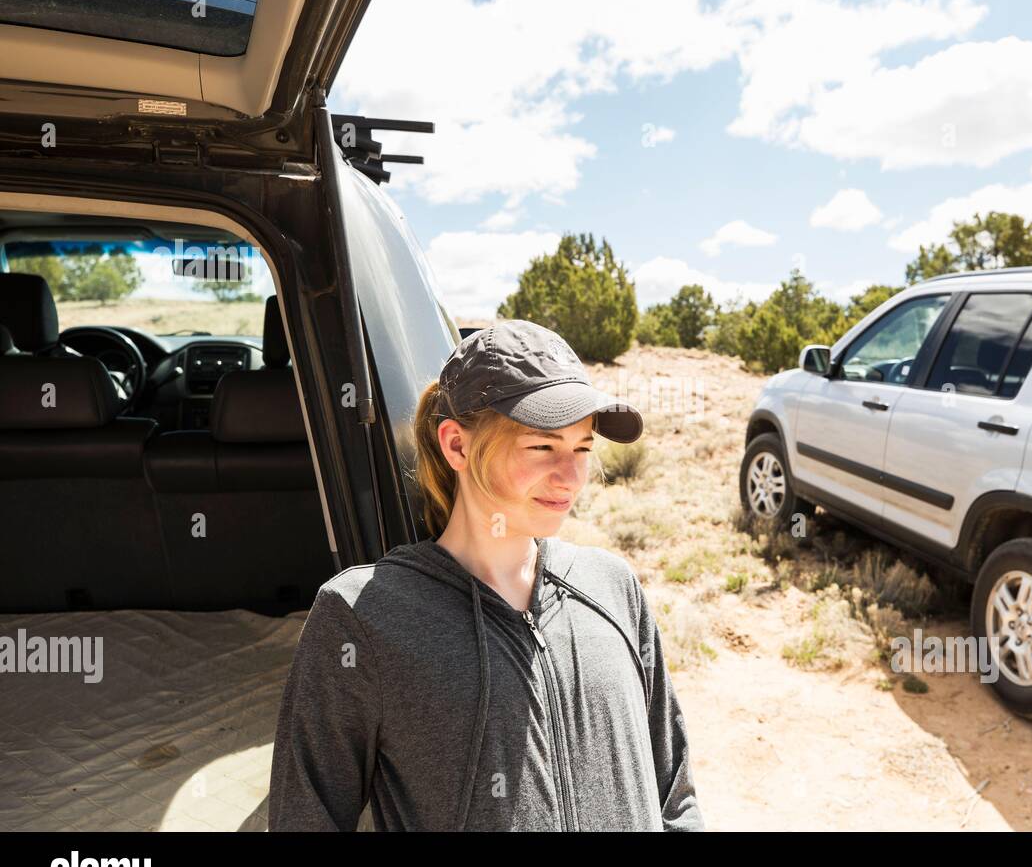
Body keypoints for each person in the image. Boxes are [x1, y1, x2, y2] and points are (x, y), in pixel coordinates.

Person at [267, 319, 704, 831]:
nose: (570, 476)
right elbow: (306, 818)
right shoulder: (363, 617)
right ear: (457, 446)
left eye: (583, 448)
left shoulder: (614, 587)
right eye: (542, 447)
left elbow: (675, 792)